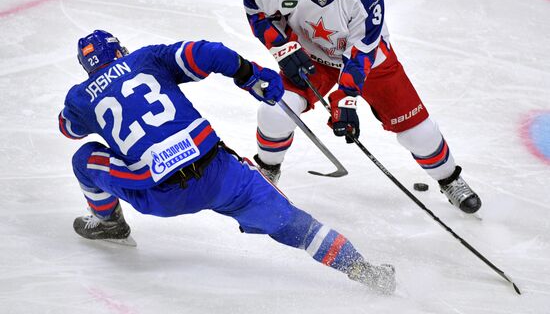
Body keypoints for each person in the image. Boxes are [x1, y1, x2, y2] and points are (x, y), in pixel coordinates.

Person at [58, 29, 396, 294]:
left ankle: (109, 223)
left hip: (159, 194)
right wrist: (251, 74)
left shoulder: (79, 96)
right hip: (219, 174)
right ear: (121, 51)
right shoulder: (147, 59)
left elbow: (68, 128)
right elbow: (209, 53)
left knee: (85, 158)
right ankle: (363, 270)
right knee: (296, 224)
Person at [243, 0, 481, 214]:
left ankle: (450, 180)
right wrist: (280, 48)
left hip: (370, 61)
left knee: (419, 133)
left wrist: (346, 97)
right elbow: (254, 7)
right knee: (274, 111)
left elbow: (362, 53)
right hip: (311, 57)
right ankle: (267, 171)